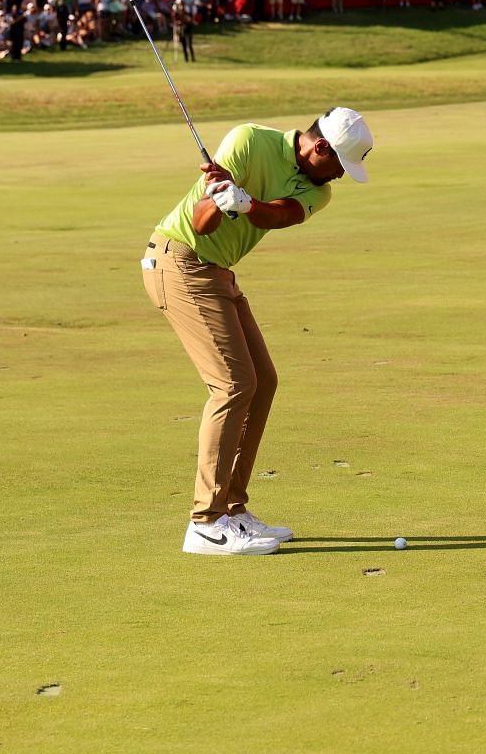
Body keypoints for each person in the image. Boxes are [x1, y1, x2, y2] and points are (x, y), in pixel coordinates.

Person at [143, 107, 377, 556]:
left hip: (216, 272)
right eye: (341, 166)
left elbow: (282, 215)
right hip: (181, 262)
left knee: (262, 382)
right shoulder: (249, 141)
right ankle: (206, 522)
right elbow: (200, 223)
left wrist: (246, 202)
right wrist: (219, 193)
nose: (342, 177)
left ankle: (232, 507)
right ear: (321, 147)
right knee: (233, 385)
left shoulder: (318, 191)